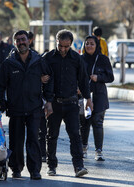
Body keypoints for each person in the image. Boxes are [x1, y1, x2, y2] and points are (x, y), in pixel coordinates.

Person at [0, 30, 54, 180]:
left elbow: (49, 80)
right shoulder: (9, 63)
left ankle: (35, 170)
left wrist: (49, 101)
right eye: (18, 40)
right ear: (14, 43)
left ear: (29, 41)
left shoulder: (38, 61)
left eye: (23, 39)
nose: (21, 42)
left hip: (34, 108)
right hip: (16, 108)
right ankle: (16, 169)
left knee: (34, 139)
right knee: (16, 141)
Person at [44, 29, 93, 177]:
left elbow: (84, 80)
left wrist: (88, 99)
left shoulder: (77, 59)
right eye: (60, 46)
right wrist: (47, 101)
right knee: (52, 135)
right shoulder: (48, 58)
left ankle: (79, 166)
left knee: (75, 136)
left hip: (72, 103)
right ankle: (51, 166)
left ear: (71, 44)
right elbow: (42, 79)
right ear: (56, 43)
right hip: (54, 103)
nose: (63, 49)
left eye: (66, 46)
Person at [80, 35, 114, 161]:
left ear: (96, 45)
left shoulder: (103, 59)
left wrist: (98, 78)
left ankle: (98, 151)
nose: (89, 46)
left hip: (99, 95)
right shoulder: (80, 59)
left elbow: (110, 77)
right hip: (83, 95)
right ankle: (83, 148)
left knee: (98, 123)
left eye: (92, 44)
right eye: (87, 43)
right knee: (84, 124)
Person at [28, 30, 48, 162]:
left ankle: (41, 153)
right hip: (26, 100)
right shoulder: (13, 58)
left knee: (42, 129)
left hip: (38, 100)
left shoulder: (37, 58)